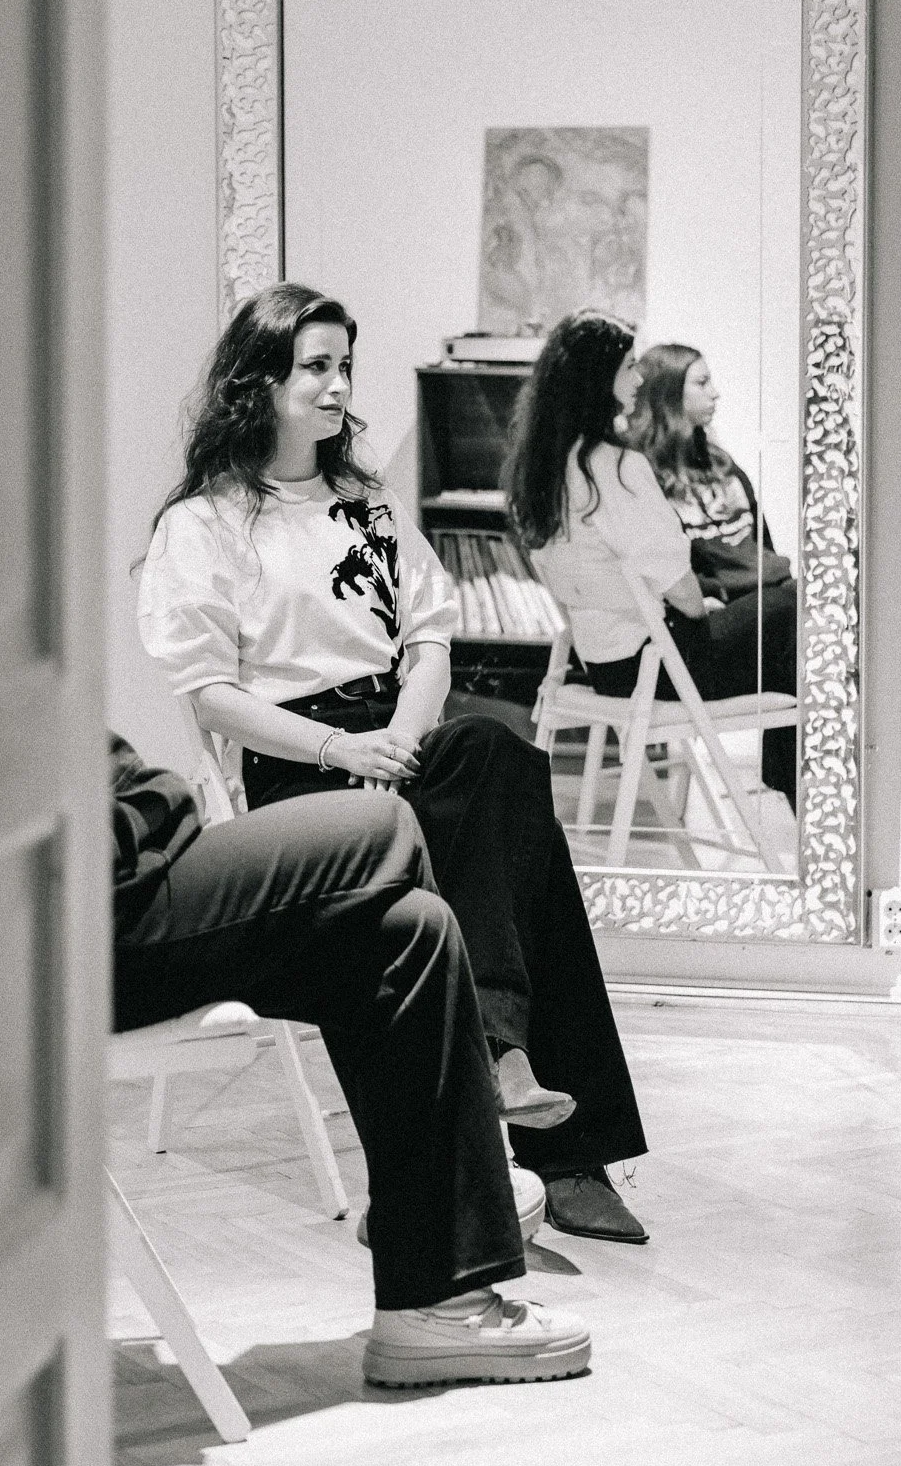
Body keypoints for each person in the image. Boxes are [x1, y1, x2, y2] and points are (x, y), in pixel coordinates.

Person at [136, 281, 649, 1244]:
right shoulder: (202, 526)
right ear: (261, 383)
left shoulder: (362, 504)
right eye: (316, 368)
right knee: (514, 838)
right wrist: (342, 750)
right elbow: (209, 696)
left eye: (343, 368)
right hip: (296, 762)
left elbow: (430, 641)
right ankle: (564, 1147)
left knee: (497, 751)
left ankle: (512, 1079)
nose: (336, 390)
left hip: (398, 739)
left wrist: (398, 744)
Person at [110, 733, 590, 1386]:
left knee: (408, 929)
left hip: (109, 875)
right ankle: (449, 1232)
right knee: (385, 827)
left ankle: (434, 1293)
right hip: (95, 903)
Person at [503, 311, 796, 811]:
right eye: (629, 366)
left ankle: (789, 781)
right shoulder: (617, 467)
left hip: (602, 664)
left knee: (781, 617)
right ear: (600, 381)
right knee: (798, 605)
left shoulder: (548, 466)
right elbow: (682, 589)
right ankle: (802, 793)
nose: (639, 377)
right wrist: (700, 605)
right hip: (656, 667)